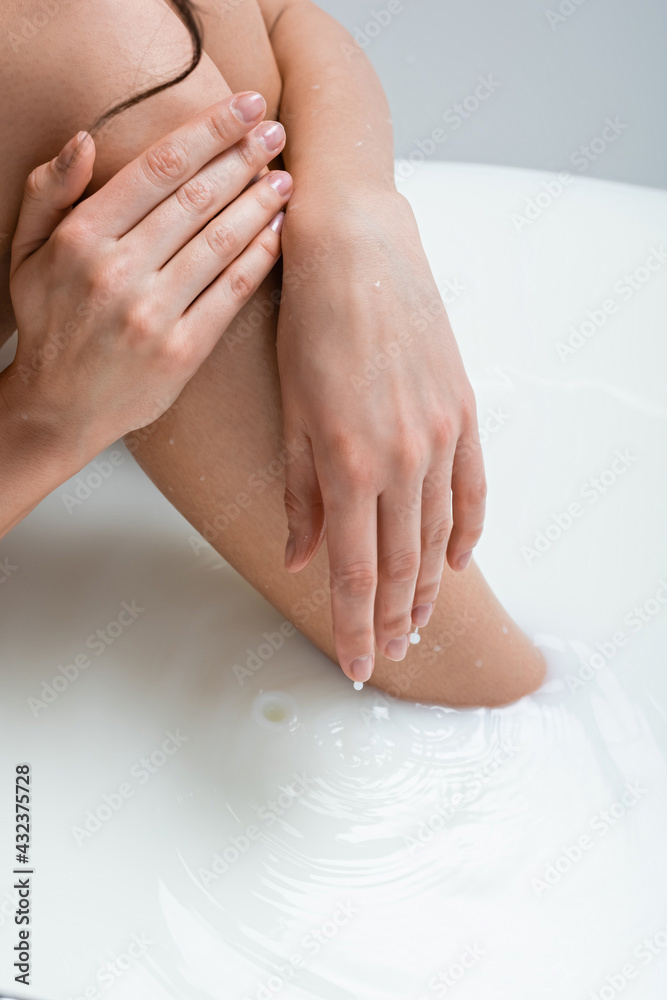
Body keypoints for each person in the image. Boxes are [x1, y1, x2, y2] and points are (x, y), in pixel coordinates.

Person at [0, 0, 546, 706]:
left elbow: (278, 16)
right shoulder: (84, 53)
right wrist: (45, 420)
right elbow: (464, 681)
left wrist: (354, 219)